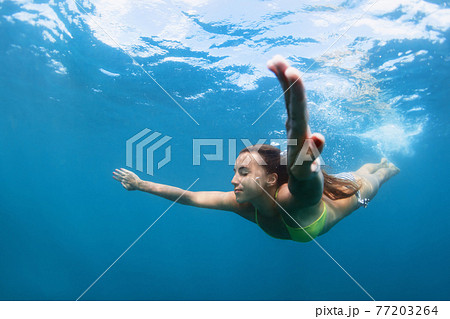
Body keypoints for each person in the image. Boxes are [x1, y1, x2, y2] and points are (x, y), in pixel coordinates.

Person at [113, 55, 399, 242]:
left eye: (243, 172)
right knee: (363, 168)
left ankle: (388, 163)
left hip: (353, 191)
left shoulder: (293, 199)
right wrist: (140, 184)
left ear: (271, 179)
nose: (233, 180)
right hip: (329, 183)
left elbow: (305, 179)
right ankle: (380, 161)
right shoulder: (243, 205)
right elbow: (191, 197)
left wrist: (297, 135)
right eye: (236, 172)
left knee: (378, 175)